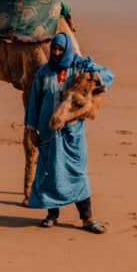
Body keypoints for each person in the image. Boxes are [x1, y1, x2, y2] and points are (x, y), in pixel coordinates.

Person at [24, 31, 114, 233]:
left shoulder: (79, 65)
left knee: (77, 173)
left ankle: (87, 218)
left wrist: (90, 75)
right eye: (54, 49)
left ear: (67, 50)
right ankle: (52, 215)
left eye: (60, 49)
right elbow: (34, 101)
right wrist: (31, 128)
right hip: (48, 131)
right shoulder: (44, 72)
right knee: (49, 171)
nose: (56, 52)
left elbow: (109, 75)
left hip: (72, 134)